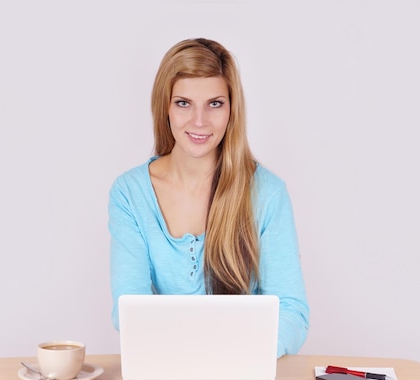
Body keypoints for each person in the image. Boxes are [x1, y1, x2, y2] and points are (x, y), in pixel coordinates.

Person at [108, 38, 309, 357]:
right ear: (166, 107)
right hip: (167, 370)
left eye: (215, 103)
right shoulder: (129, 193)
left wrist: (230, 357)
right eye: (184, 103)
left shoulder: (268, 193)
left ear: (232, 109)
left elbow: (292, 311)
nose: (199, 121)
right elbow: (128, 307)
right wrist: (188, 358)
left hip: (245, 372)